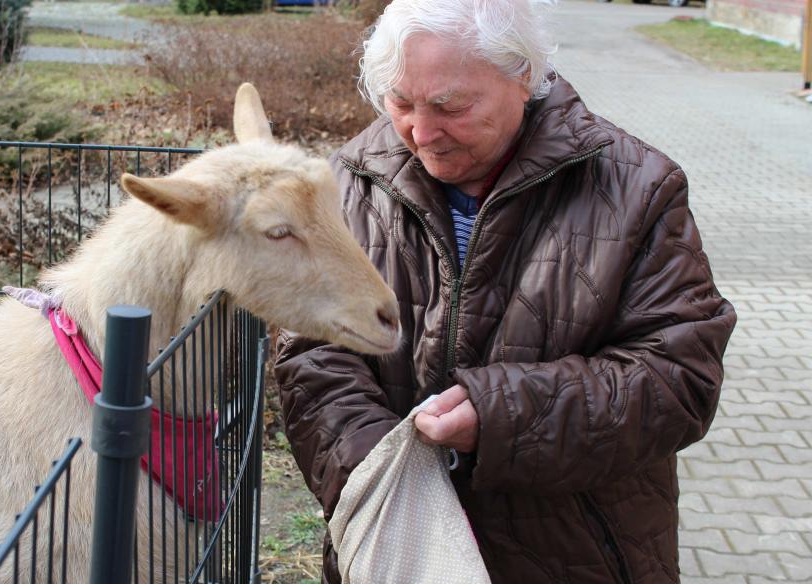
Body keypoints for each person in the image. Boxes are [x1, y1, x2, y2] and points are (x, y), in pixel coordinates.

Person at [273, 0, 737, 582]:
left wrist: (503, 416)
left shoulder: (639, 187)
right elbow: (313, 351)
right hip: (397, 548)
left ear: (523, 75)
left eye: (450, 106)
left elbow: (679, 378)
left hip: (576, 551)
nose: (422, 132)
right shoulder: (348, 180)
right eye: (400, 103)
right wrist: (382, 474)